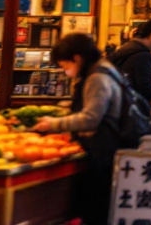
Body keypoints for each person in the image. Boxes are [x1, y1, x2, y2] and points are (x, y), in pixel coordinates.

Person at [35, 34, 132, 225]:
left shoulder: (98, 77)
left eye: (65, 66)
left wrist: (54, 124)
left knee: (96, 211)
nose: (66, 71)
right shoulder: (103, 70)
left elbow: (91, 119)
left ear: (77, 58)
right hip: (105, 153)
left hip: (103, 155)